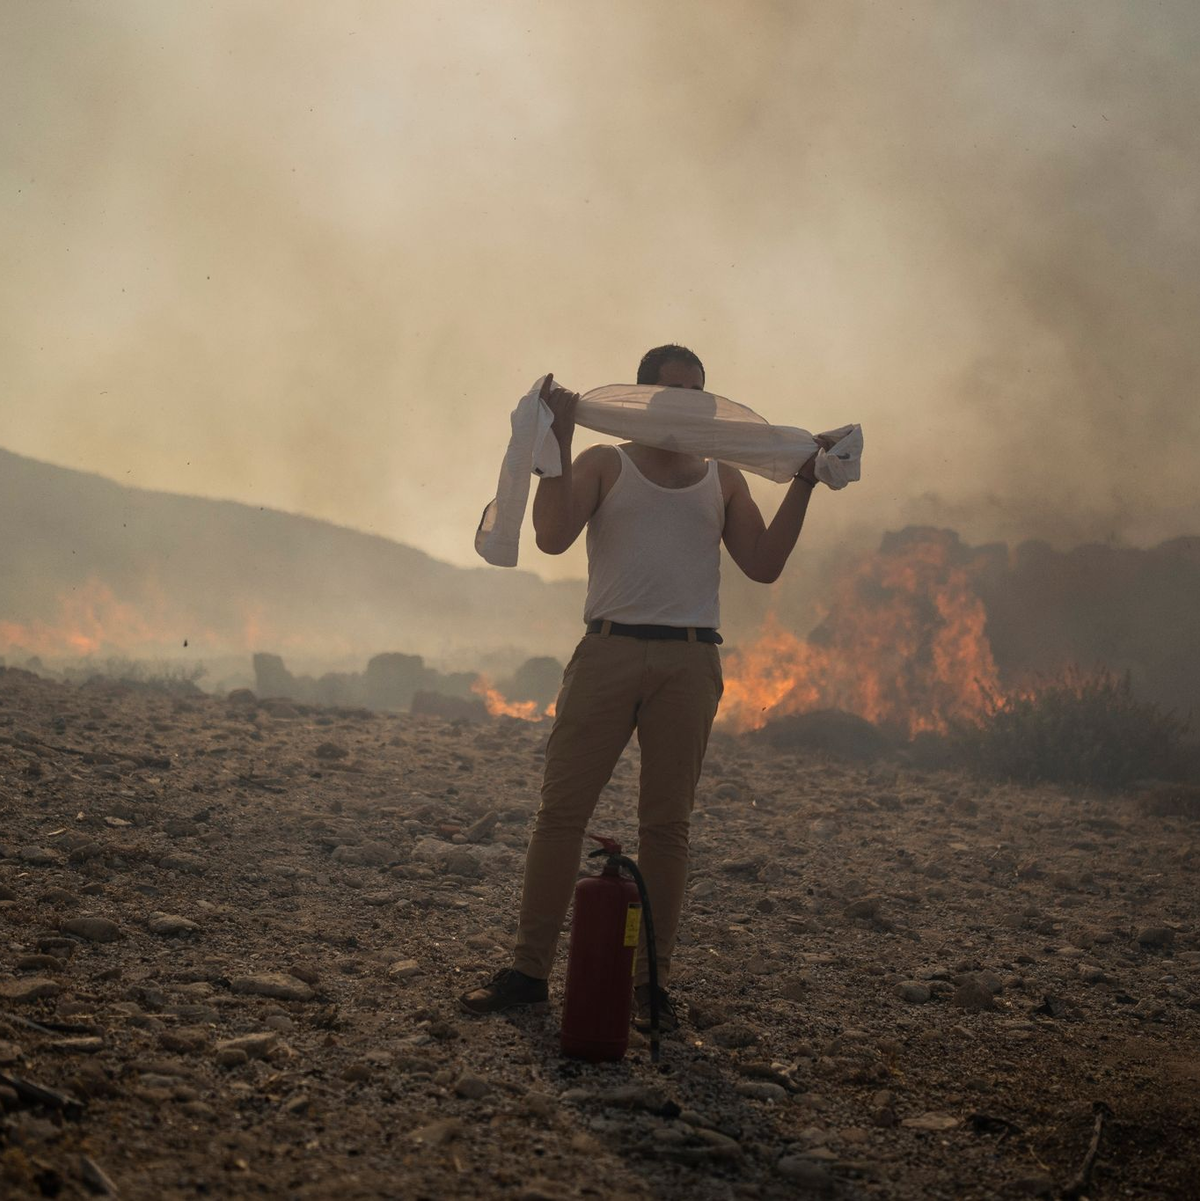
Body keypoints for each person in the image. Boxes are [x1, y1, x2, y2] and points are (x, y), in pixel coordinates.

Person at [460, 344, 827, 1030]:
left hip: (691, 660)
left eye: (696, 393)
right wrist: (560, 440)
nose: (685, 404)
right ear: (645, 397)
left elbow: (764, 563)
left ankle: (650, 985)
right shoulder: (607, 462)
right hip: (608, 650)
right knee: (561, 815)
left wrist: (804, 482)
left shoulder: (722, 478)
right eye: (671, 391)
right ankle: (528, 973)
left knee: (666, 828)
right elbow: (550, 536)